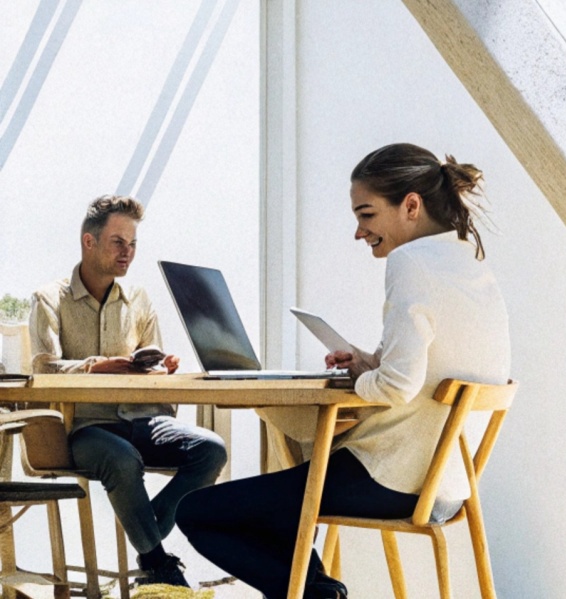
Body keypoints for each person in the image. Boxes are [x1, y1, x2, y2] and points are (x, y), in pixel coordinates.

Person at [178, 143, 511, 599]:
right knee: (279, 504)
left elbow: (396, 386)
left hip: (393, 478)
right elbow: (425, 373)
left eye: (367, 214)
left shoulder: (410, 262)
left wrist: (360, 379)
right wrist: (365, 361)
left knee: (198, 511)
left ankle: (318, 594)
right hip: (448, 485)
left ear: (410, 205)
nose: (359, 232)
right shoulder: (466, 263)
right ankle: (319, 592)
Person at [28, 195, 229, 590]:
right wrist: (96, 366)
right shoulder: (49, 299)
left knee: (212, 450)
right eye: (119, 242)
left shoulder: (138, 300)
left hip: (144, 418)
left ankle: (148, 532)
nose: (128, 253)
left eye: (133, 243)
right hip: (86, 428)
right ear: (89, 241)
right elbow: (43, 367)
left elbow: (150, 364)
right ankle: (157, 561)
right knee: (122, 458)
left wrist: (162, 368)